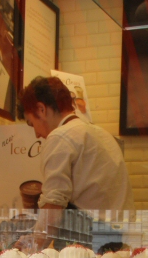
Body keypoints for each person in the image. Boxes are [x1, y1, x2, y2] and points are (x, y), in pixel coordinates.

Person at [17, 77, 134, 236]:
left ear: (41, 109)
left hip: (88, 241)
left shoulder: (60, 136)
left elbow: (52, 209)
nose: (37, 134)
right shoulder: (103, 135)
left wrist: (31, 244)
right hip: (120, 239)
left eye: (32, 123)